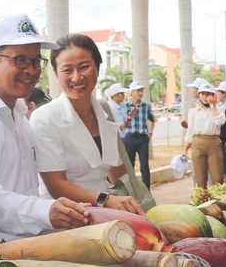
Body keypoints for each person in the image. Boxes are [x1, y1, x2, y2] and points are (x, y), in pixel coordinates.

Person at [0, 15, 94, 248]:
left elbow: (27, 192)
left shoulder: (20, 120)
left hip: (23, 246)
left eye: (35, 61)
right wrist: (47, 211)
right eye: (20, 60)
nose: (30, 70)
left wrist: (64, 213)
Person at [31, 34, 144, 214]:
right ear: (56, 74)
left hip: (107, 215)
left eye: (84, 67)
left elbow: (119, 173)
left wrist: (133, 199)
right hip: (67, 219)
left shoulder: (105, 111)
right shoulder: (44, 118)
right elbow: (56, 185)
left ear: (98, 69)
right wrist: (105, 200)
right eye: (67, 70)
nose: (77, 77)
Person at [184, 84, 225, 188]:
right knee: (200, 179)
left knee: (217, 179)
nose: (205, 96)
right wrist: (185, 148)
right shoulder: (193, 111)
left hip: (214, 142)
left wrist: (212, 106)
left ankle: (217, 203)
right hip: (198, 142)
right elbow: (190, 130)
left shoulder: (220, 109)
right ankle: (202, 202)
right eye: (202, 94)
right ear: (199, 95)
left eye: (208, 94)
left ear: (213, 96)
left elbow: (219, 122)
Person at [123, 80, 157, 189]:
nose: (141, 93)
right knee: (130, 166)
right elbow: (122, 123)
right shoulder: (125, 106)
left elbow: (152, 120)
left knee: (145, 166)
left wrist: (150, 133)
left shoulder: (146, 106)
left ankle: (147, 190)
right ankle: (131, 189)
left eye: (141, 91)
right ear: (132, 92)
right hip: (130, 138)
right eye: (138, 91)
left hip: (143, 138)